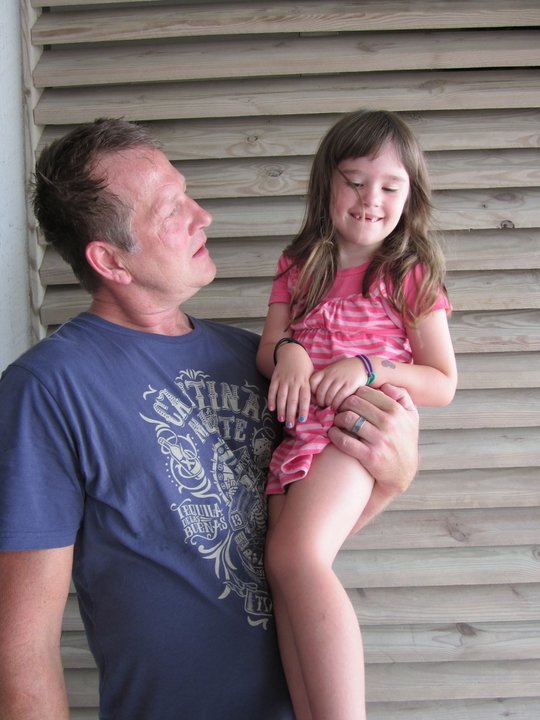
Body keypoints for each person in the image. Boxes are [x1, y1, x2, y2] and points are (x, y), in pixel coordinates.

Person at [0, 118, 420, 720]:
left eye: (188, 193)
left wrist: (391, 480)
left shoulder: (263, 361)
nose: (203, 216)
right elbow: (21, 650)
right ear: (111, 260)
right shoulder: (46, 390)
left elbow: (292, 551)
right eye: (172, 209)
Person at [256, 109, 458, 719]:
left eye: (390, 187)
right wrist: (290, 352)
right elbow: (269, 347)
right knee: (281, 572)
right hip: (296, 439)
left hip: (353, 432)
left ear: (410, 196)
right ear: (328, 183)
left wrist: (372, 367)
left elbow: (442, 381)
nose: (372, 199)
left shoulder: (407, 273)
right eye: (355, 181)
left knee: (297, 559)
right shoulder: (300, 264)